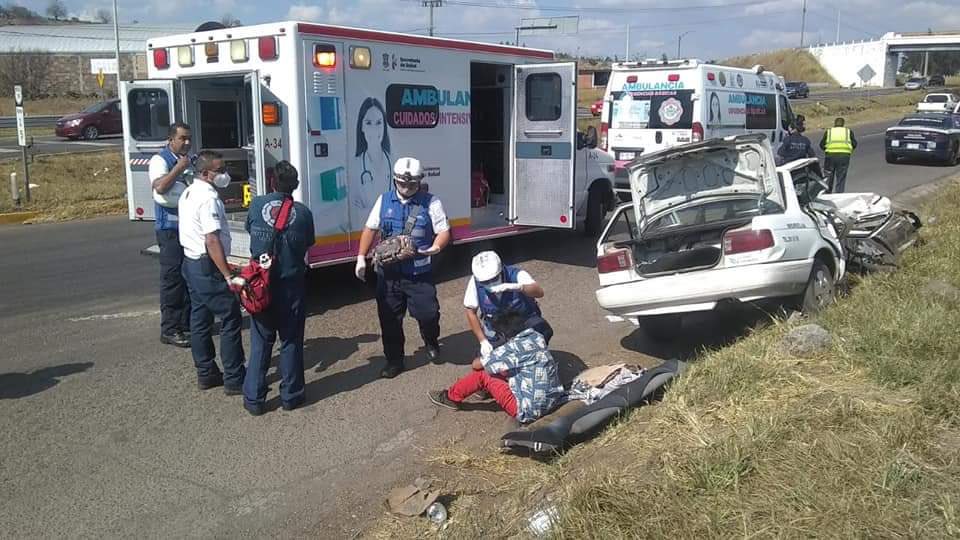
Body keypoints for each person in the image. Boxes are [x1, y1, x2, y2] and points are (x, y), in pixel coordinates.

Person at [355, 157, 450, 379]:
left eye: (412, 184)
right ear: (395, 180)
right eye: (402, 183)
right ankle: (394, 360)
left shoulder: (431, 202)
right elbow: (370, 229)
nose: (406, 188)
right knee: (389, 320)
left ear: (419, 182)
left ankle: (430, 339)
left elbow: (444, 231)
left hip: (419, 274)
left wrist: (436, 247)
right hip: (389, 275)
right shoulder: (384, 200)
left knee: (428, 314)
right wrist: (361, 257)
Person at [242, 161, 315, 415]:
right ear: (295, 186)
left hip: (260, 284)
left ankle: (254, 400)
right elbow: (307, 244)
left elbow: (251, 230)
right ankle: (291, 396)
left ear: (272, 181)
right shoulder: (304, 213)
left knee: (261, 342)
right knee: (291, 341)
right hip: (291, 285)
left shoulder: (257, 204)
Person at [178, 150, 247, 392]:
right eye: (221, 170)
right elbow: (212, 240)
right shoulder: (208, 199)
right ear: (207, 173)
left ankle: (206, 372)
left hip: (191, 263)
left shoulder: (189, 191)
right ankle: (235, 377)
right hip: (206, 266)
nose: (225, 175)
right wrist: (228, 275)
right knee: (230, 317)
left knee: (199, 319)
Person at [428, 310, 565, 425]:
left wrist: (491, 354)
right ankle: (482, 390)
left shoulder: (509, 348)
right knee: (503, 369)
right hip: (553, 399)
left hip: (528, 410)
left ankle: (451, 397)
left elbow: (476, 365)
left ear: (505, 335)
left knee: (483, 374)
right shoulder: (537, 337)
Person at [149, 122, 193, 348]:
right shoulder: (160, 161)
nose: (186, 142)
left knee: (187, 279)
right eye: (182, 138)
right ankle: (170, 329)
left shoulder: (190, 160)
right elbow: (160, 188)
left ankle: (185, 324)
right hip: (169, 230)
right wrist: (178, 168)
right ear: (171, 139)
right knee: (172, 281)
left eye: (189, 139)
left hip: (187, 230)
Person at [464, 251, 552, 361]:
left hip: (523, 324)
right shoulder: (475, 282)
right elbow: (470, 312)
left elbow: (539, 292)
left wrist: (519, 287)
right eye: (485, 282)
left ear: (501, 271)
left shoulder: (516, 274)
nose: (490, 283)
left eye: (494, 279)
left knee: (540, 333)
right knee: (484, 362)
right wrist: (483, 341)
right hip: (497, 329)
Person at [354, 97, 392, 211]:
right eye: (369, 123)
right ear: (362, 127)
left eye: (379, 123)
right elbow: (355, 210)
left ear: (384, 126)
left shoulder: (394, 163)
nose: (374, 129)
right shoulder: (354, 166)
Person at [819, 117, 857, 193]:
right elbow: (854, 144)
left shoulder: (829, 132)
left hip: (830, 156)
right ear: (843, 124)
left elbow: (821, 144)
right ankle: (839, 194)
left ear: (834, 124)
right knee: (841, 178)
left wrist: (827, 150)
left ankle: (827, 193)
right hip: (844, 156)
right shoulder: (848, 132)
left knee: (829, 177)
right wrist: (848, 150)